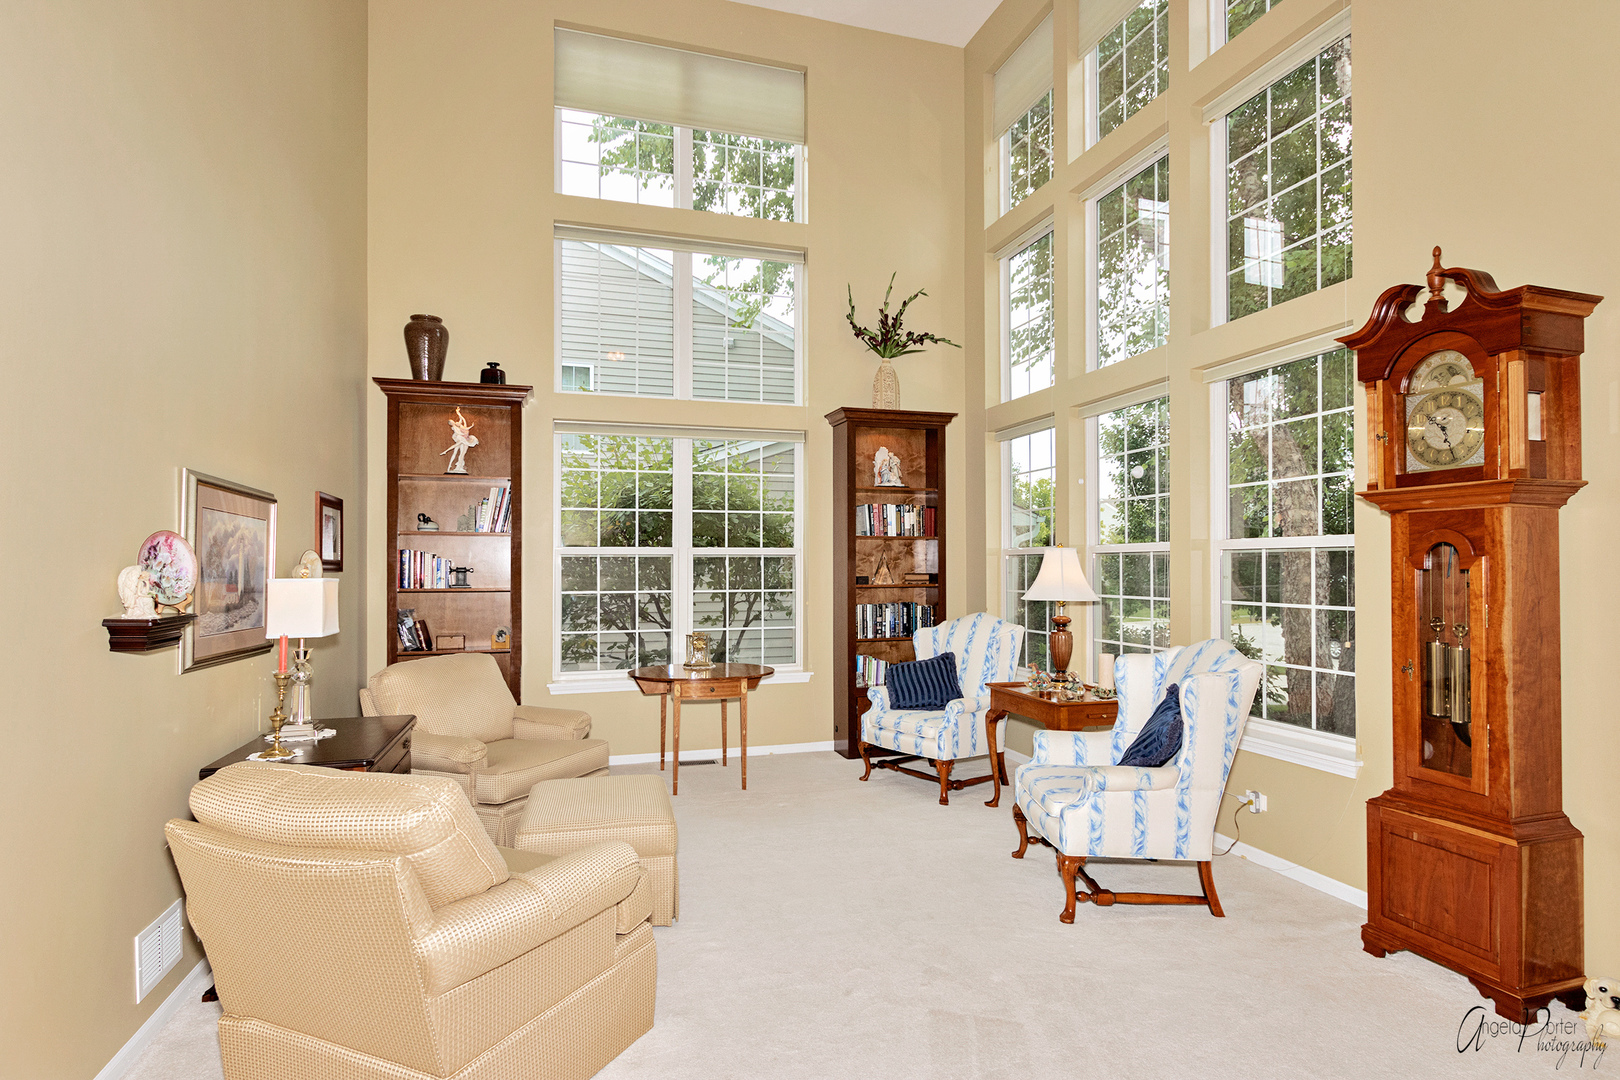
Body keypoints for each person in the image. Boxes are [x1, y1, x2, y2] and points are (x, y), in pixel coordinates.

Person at [441, 407, 479, 474]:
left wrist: (458, 412)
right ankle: (457, 466)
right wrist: (463, 433)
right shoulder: (458, 429)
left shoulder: (463, 427)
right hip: (463, 440)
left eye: (457, 422)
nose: (457, 422)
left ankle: (459, 466)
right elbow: (458, 433)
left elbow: (462, 419)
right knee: (459, 453)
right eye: (455, 422)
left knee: (462, 453)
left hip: (466, 440)